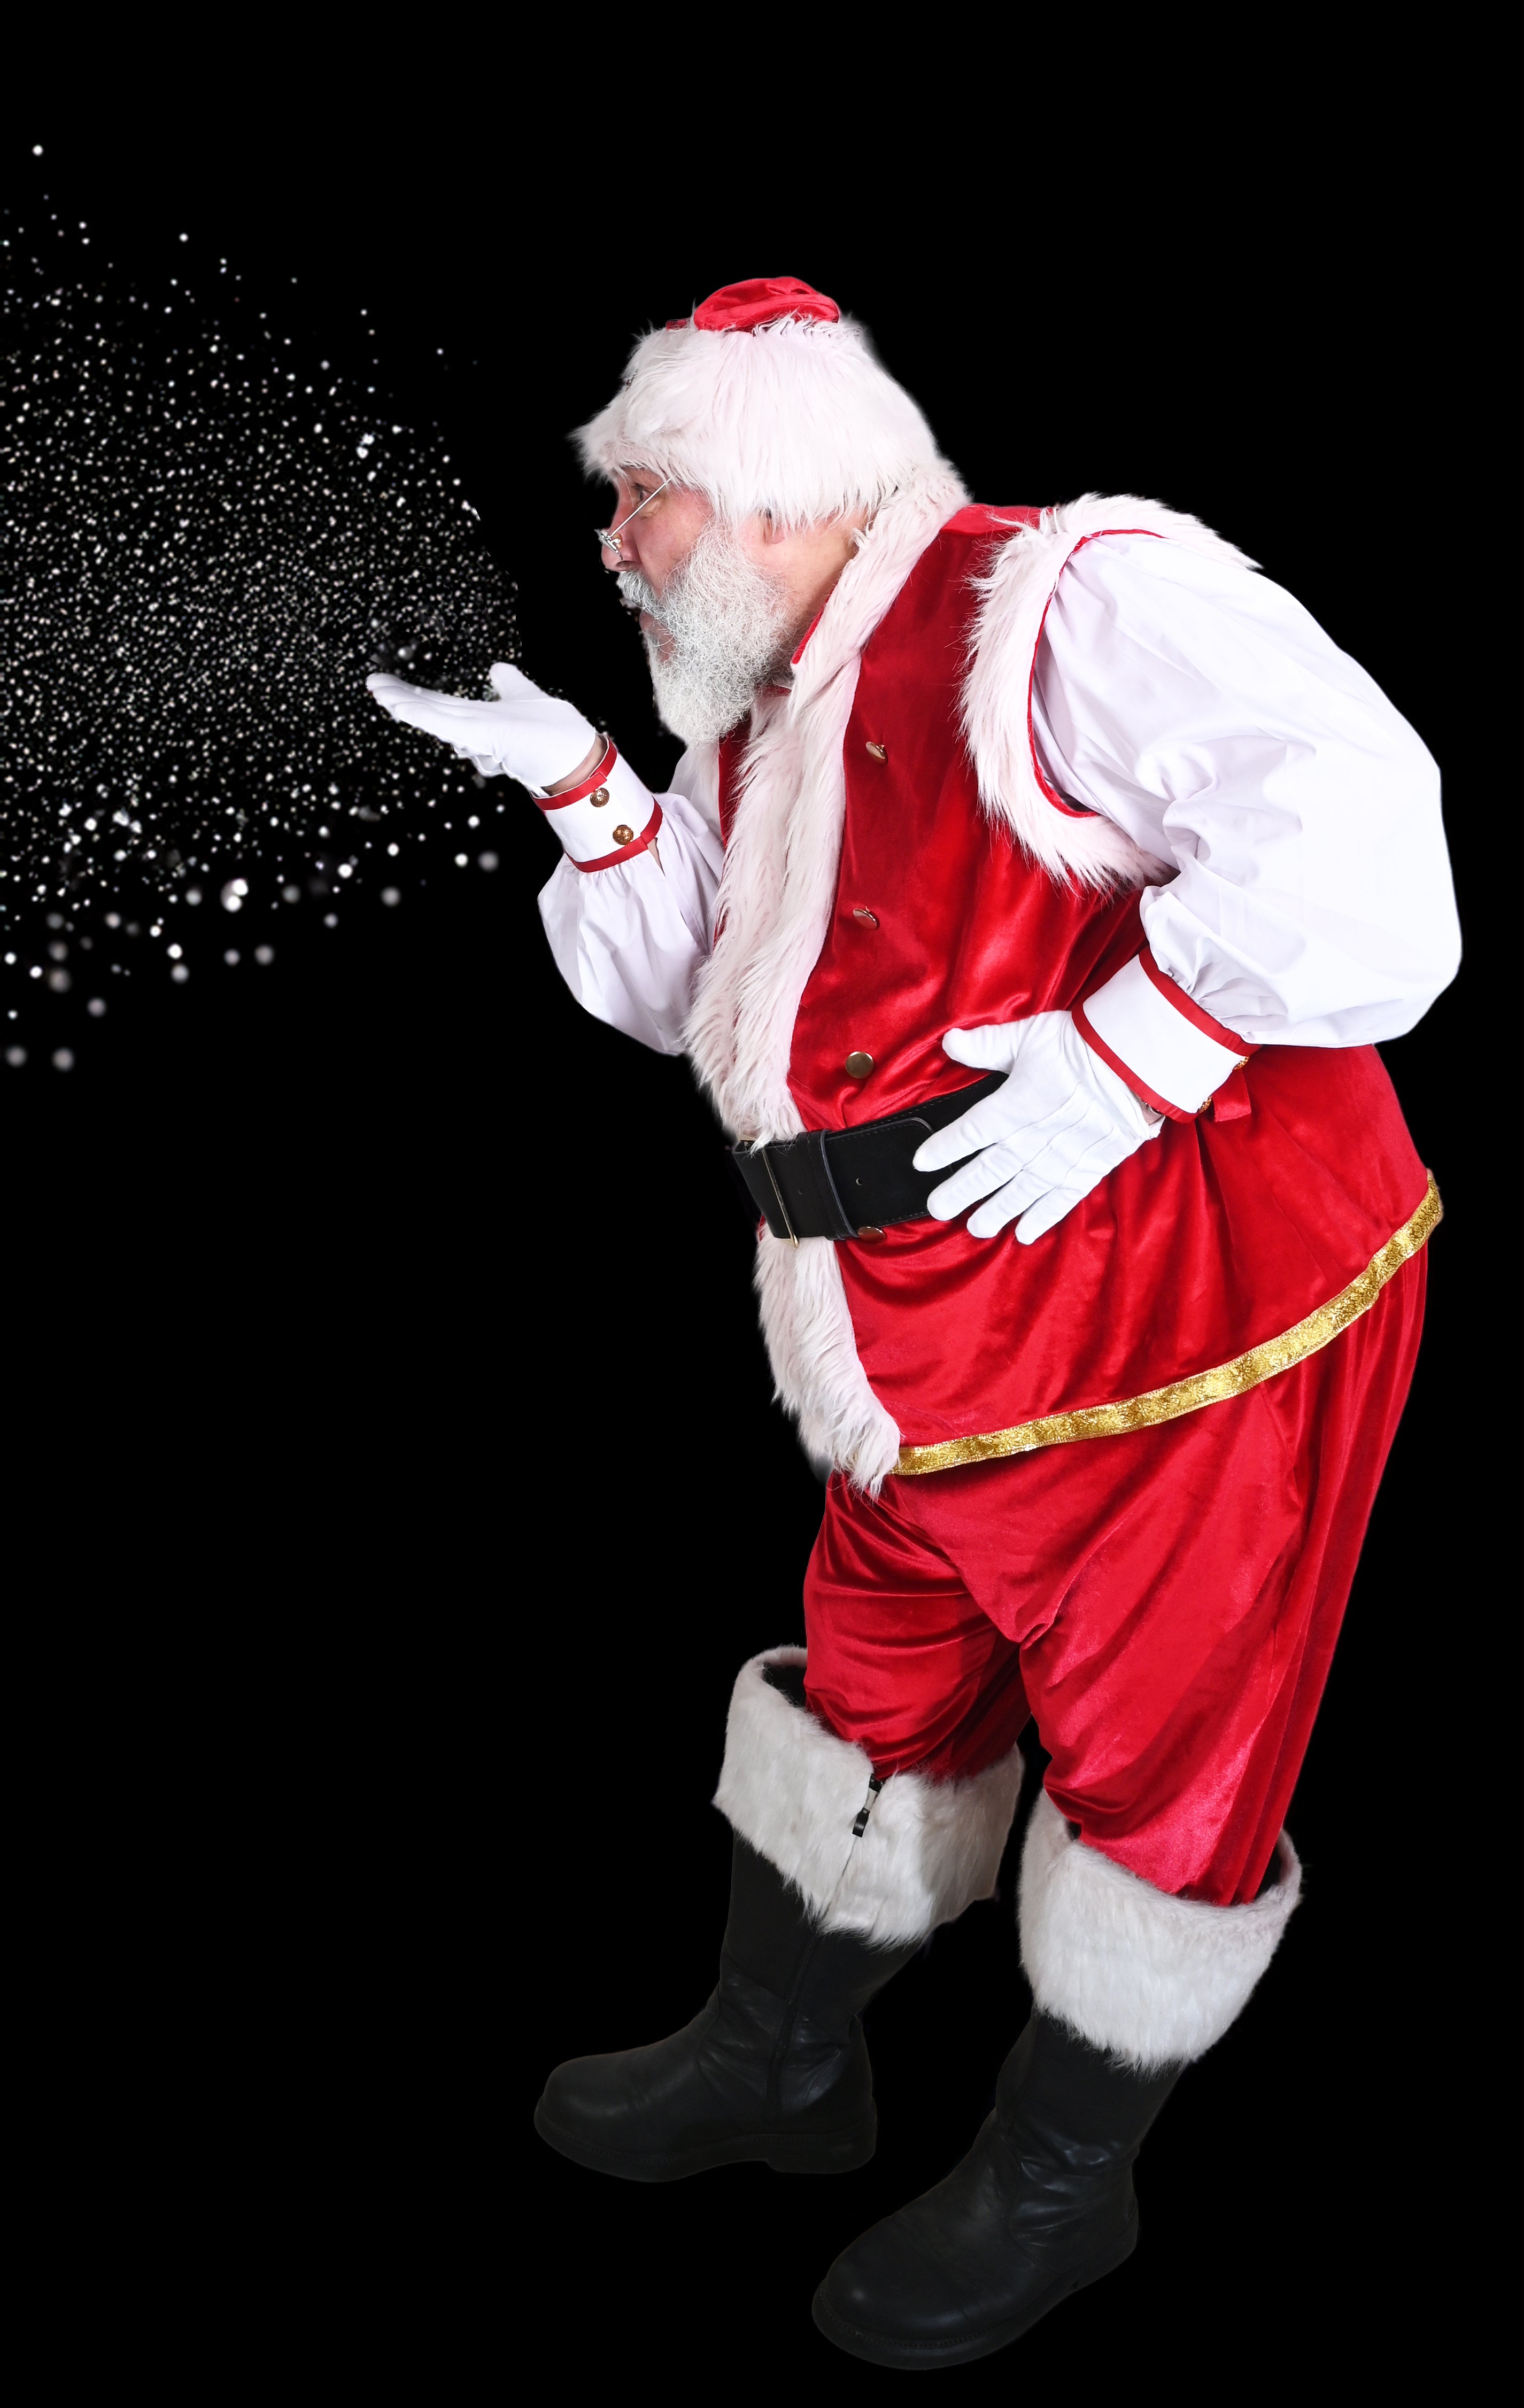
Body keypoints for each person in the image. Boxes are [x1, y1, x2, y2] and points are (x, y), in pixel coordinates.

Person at [368, 275, 1458, 2371]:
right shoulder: (766, 700)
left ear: (774, 488)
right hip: (911, 1340)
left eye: (642, 495)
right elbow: (688, 998)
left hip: (1181, 1335)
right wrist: (586, 784)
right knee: (871, 1673)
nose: (612, 542)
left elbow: (1365, 840)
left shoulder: (1063, 600)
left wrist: (1130, 1057)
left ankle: (1061, 2177)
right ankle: (783, 2057)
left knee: (1164, 1751)